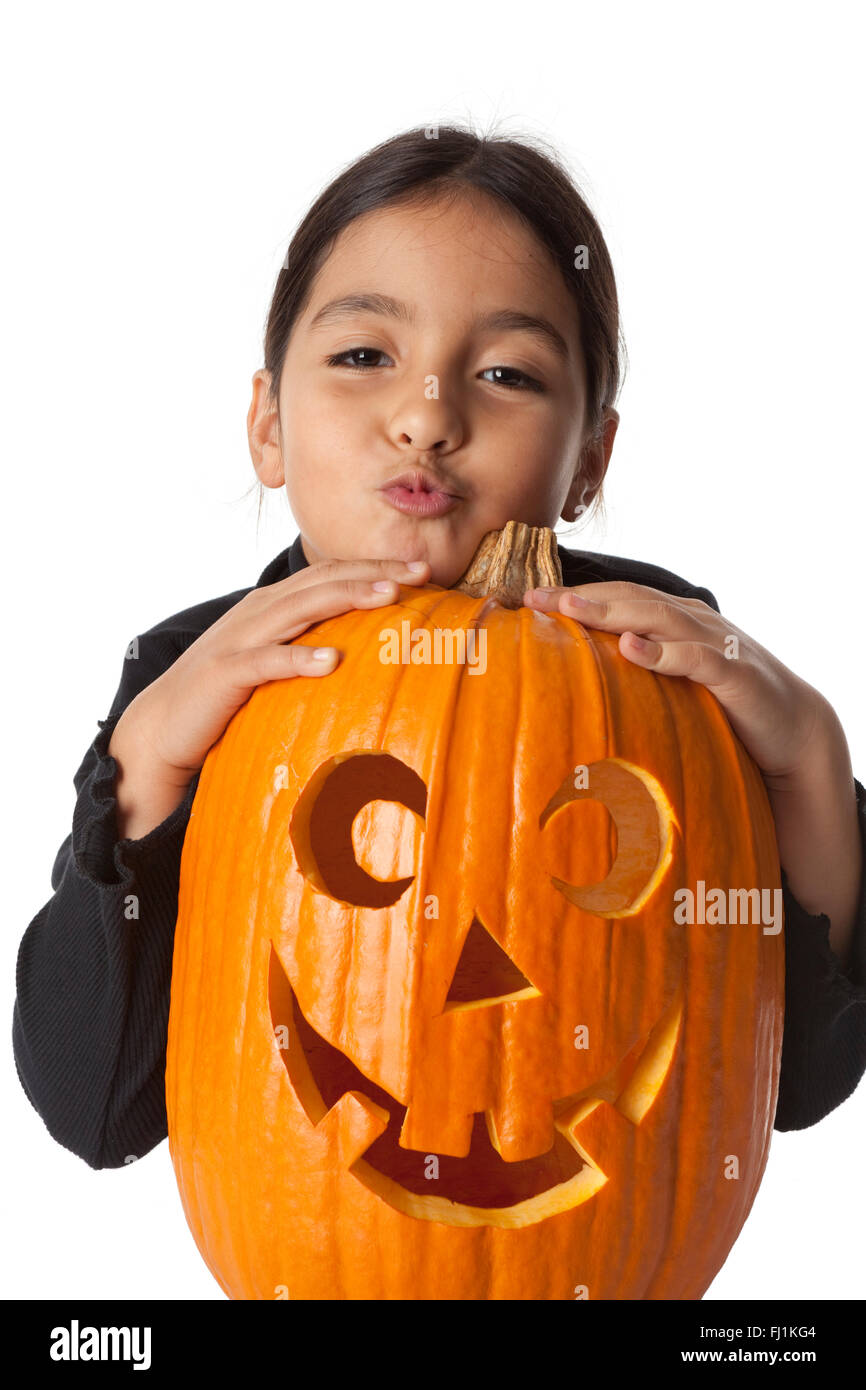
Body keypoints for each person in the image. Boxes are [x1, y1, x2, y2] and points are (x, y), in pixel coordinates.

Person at [13, 124, 865, 1179]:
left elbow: (796, 1083)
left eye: (506, 373)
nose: (426, 417)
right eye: (365, 356)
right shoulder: (190, 671)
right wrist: (143, 766)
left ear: (588, 459)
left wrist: (808, 763)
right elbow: (95, 1109)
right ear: (268, 422)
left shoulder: (664, 649)